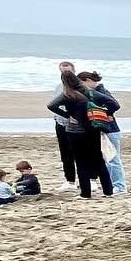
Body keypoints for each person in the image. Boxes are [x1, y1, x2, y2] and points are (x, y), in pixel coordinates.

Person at [46, 70, 116, 198]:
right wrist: (105, 113)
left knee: (81, 162)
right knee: (98, 159)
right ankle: (108, 191)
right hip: (93, 129)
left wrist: (68, 115)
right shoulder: (91, 92)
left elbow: (51, 105)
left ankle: (86, 193)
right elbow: (114, 104)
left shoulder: (67, 95)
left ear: (64, 83)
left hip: (75, 131)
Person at [78, 72, 126, 193]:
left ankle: (119, 186)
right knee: (106, 159)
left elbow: (115, 105)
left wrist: (107, 113)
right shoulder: (96, 92)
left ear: (87, 80)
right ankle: (113, 185)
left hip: (110, 130)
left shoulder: (100, 91)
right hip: (103, 130)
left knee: (113, 159)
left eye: (82, 83)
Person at [50, 60, 77, 191]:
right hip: (61, 123)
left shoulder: (79, 86)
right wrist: (59, 117)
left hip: (76, 124)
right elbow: (54, 105)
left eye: (67, 71)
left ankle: (91, 179)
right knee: (65, 153)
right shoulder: (59, 87)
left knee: (80, 152)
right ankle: (70, 180)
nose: (65, 74)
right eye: (62, 72)